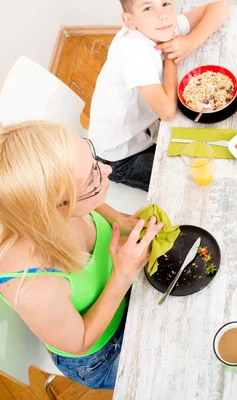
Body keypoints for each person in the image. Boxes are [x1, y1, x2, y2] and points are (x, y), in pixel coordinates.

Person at [0, 121, 164, 389]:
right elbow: (80, 343)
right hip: (102, 355)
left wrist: (119, 221)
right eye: (92, 177)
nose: (108, 169)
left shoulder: (55, 207)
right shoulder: (31, 284)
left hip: (118, 295)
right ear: (53, 209)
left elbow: (91, 204)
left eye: (93, 161)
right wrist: (122, 277)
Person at [88, 0, 230, 191]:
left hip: (147, 130)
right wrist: (171, 57)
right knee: (194, 184)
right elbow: (167, 111)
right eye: (148, 8)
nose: (162, 14)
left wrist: (189, 42)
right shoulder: (132, 52)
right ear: (129, 21)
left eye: (165, 3)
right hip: (120, 156)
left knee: (216, 152)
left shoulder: (157, 28)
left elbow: (220, 7)